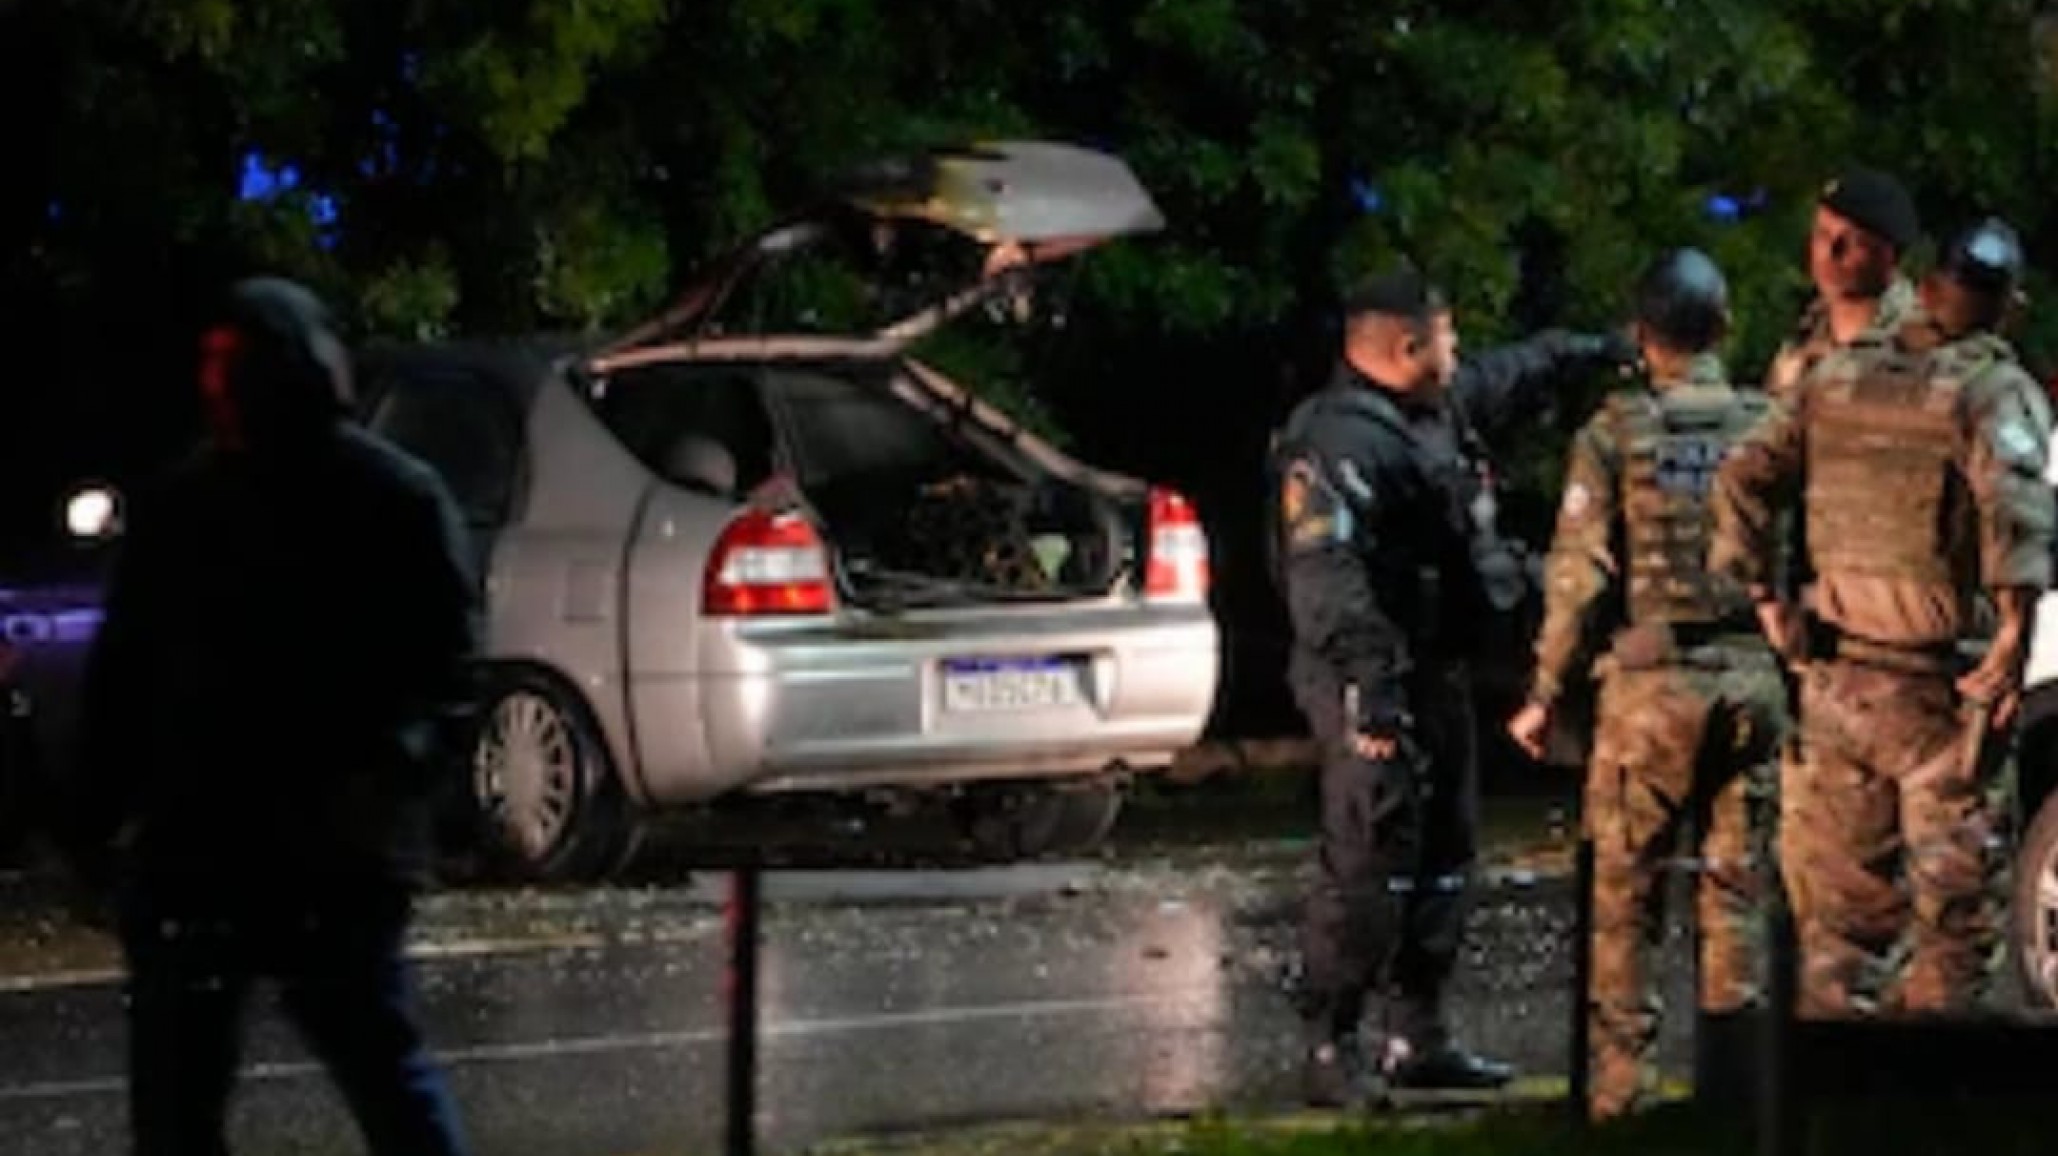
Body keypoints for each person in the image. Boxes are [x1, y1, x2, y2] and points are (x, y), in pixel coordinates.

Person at [64, 277, 479, 1155]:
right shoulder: (206, 505)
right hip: (228, 848)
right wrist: (93, 822)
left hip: (311, 848)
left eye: (235, 369)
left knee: (364, 1070)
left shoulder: (376, 500)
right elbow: (128, 675)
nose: (221, 389)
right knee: (231, 1091)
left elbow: (443, 678)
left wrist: (388, 779)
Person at [1271, 264, 1635, 1106]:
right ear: (1406, 346)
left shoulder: (1430, 410)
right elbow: (1327, 580)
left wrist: (1589, 351)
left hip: (1435, 666)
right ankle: (1332, 1045)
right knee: (1370, 857)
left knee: (1446, 853)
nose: (1459, 349)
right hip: (1368, 673)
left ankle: (1418, 1034)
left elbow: (1507, 374)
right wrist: (1372, 691)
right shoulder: (1335, 443)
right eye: (1446, 336)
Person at [1710, 218, 2054, 1017]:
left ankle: (1828, 1110)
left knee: (1835, 933)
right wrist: (2012, 634)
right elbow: (2019, 517)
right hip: (1939, 693)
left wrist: (1766, 601)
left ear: (1929, 287)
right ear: (2009, 306)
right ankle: (1917, 1110)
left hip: (1835, 682)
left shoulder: (1834, 377)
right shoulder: (1991, 390)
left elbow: (1742, 477)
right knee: (1953, 927)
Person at [1506, 249, 1784, 1118]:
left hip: (1649, 694)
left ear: (1640, 336)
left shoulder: (1615, 433)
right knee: (1737, 897)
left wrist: (1544, 690)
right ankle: (1736, 1100)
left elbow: (1578, 572)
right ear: (1724, 325)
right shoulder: (1768, 424)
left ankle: (1621, 1103)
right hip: (1753, 684)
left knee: (1625, 904)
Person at [1764, 166, 1924, 402]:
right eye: (1822, 235)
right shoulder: (1806, 331)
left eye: (1854, 242)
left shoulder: (1919, 341)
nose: (1830, 254)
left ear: (1888, 256)